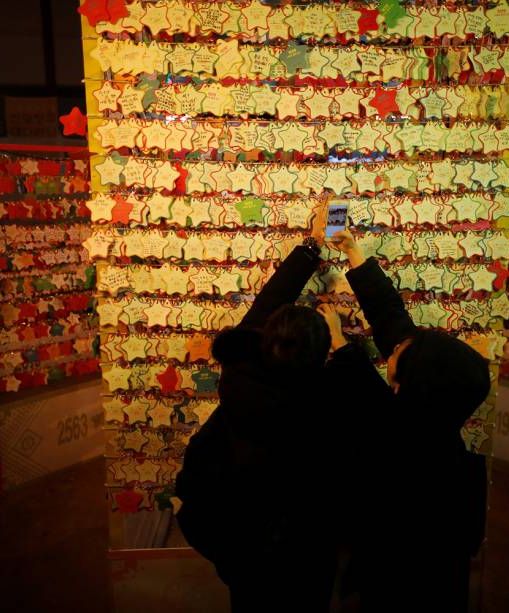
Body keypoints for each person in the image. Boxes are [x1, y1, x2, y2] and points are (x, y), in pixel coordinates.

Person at [175, 236, 373, 613]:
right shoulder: (329, 404)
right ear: (321, 356)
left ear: (264, 345)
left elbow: (259, 312)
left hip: (243, 549)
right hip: (306, 554)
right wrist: (342, 344)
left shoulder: (239, 381)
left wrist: (309, 248)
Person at [320, 229, 492, 613]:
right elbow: (392, 320)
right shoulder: (439, 423)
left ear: (410, 382)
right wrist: (353, 251)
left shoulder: (397, 445)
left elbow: (364, 395)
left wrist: (337, 342)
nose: (396, 344)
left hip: (399, 585)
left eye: (399, 352)